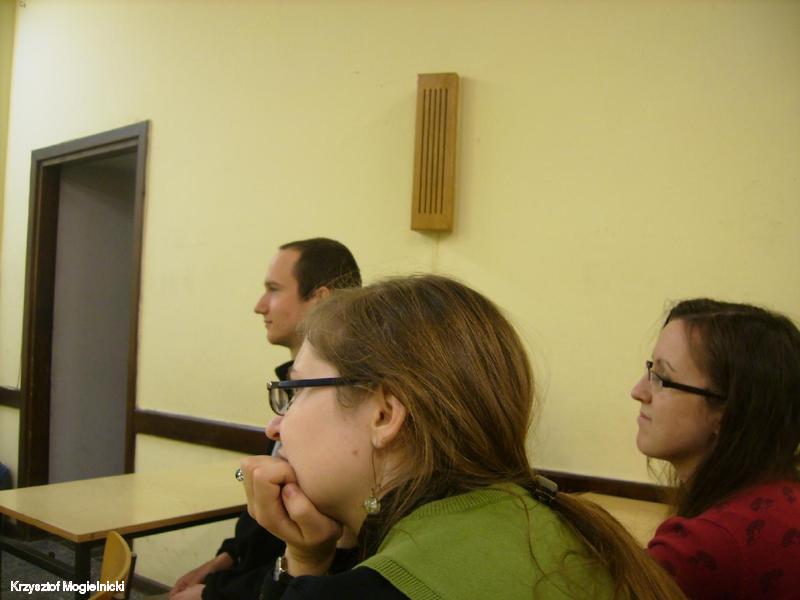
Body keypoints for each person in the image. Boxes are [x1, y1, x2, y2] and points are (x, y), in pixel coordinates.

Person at [239, 275, 684, 599]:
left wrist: (301, 566)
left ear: (384, 415)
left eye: (294, 391)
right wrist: (309, 554)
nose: (275, 426)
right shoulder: (550, 521)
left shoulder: (371, 591)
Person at [170, 238, 361, 600]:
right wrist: (229, 556)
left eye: (274, 289)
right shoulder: (290, 390)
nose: (260, 306)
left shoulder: (338, 414)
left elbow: (320, 551)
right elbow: (267, 510)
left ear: (321, 299)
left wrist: (214, 593)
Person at [631, 299, 800, 599]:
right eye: (650, 369)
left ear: (728, 410)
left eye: (662, 378)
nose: (638, 391)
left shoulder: (701, 548)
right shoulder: (781, 493)